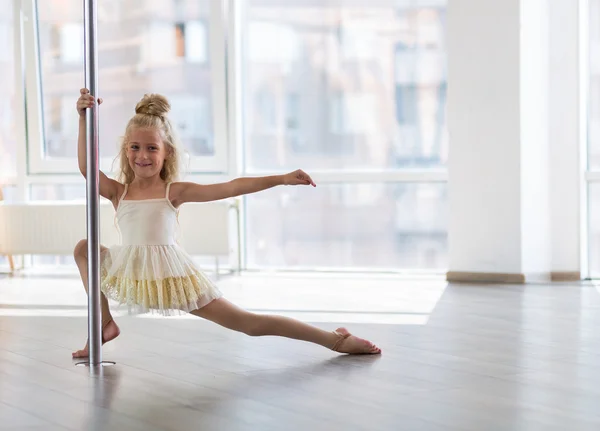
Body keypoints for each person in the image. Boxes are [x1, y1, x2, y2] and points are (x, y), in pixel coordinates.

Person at [72, 88, 381, 358]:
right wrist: (84, 117)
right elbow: (87, 167)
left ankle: (335, 341)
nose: (143, 156)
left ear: (167, 154)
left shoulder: (173, 191)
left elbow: (231, 187)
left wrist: (281, 179)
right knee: (84, 249)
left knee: (250, 325)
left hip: (173, 280)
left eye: (152, 148)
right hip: (134, 274)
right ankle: (104, 324)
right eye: (135, 147)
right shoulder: (118, 191)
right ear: (126, 150)